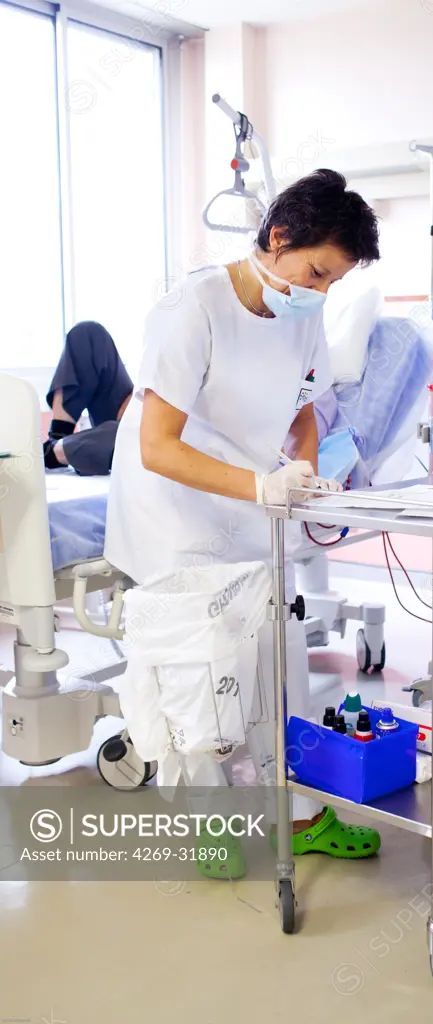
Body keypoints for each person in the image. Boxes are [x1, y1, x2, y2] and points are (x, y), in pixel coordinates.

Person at [104, 169, 383, 871]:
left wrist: (307, 473)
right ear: (278, 237)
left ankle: (302, 814)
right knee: (202, 670)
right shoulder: (190, 309)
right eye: (317, 271)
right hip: (173, 505)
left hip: (252, 496)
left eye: (333, 283)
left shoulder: (303, 310)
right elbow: (157, 445)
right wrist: (261, 487)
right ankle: (213, 824)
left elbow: (301, 409)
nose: (321, 292)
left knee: (281, 656)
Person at [43, 321, 133, 476]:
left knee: (133, 435)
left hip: (170, 431)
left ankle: (53, 454)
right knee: (88, 332)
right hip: (144, 407)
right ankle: (58, 435)